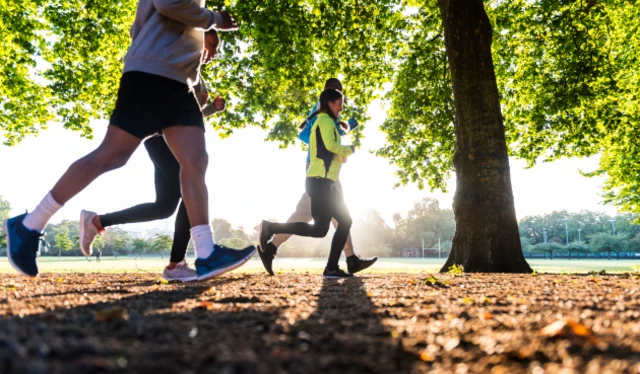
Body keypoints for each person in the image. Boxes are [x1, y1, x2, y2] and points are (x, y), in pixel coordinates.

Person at [3, 1, 255, 280]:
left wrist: (206, 30)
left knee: (195, 161)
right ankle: (29, 225)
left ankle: (206, 253)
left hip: (180, 82)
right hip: (152, 74)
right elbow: (168, 3)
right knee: (111, 155)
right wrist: (213, 20)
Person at [79, 30, 226, 282]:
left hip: (166, 139)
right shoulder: (181, 62)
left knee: (165, 206)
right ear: (198, 39)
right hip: (160, 137)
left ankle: (97, 221)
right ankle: (175, 264)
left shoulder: (196, 76)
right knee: (189, 190)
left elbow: (188, 118)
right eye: (211, 44)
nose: (213, 53)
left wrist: (212, 108)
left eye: (215, 49)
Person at [257, 78, 377, 276]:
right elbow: (309, 136)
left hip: (324, 171)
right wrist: (341, 148)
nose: (341, 103)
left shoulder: (329, 116)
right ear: (329, 97)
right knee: (333, 219)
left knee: (312, 214)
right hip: (319, 171)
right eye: (337, 96)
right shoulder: (321, 113)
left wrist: (343, 133)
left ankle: (272, 245)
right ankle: (348, 259)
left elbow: (330, 138)